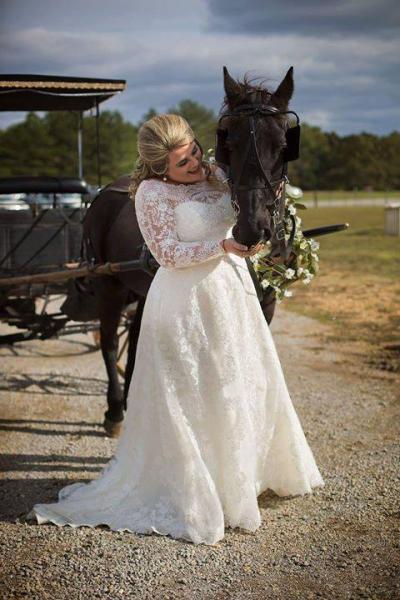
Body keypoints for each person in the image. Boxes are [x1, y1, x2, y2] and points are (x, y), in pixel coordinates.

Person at [28, 114, 324, 545]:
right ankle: (196, 487)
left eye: (195, 153)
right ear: (159, 168)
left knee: (237, 383)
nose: (196, 165)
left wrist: (256, 240)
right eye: (183, 163)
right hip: (184, 301)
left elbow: (251, 200)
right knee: (191, 394)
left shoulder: (219, 175)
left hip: (231, 293)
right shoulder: (151, 194)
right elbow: (167, 253)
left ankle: (241, 478)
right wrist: (221, 246)